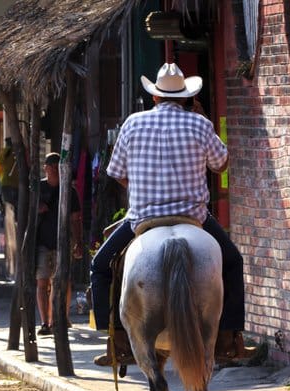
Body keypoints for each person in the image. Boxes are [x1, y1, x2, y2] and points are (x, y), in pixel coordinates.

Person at [89, 62, 255, 365]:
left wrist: (141, 185)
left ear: (155, 96)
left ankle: (115, 339)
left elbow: (116, 172)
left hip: (142, 219)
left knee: (100, 267)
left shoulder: (133, 123)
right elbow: (221, 165)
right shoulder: (200, 124)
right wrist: (205, 123)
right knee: (232, 262)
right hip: (193, 218)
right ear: (185, 98)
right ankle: (231, 338)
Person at [35, 152, 83, 336]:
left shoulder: (69, 192)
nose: (54, 170)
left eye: (57, 166)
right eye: (51, 166)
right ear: (45, 168)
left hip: (62, 243)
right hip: (41, 242)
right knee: (42, 282)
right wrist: (37, 209)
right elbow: (25, 212)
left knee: (61, 282)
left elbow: (75, 219)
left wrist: (78, 241)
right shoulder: (38, 189)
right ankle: (44, 322)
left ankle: (59, 318)